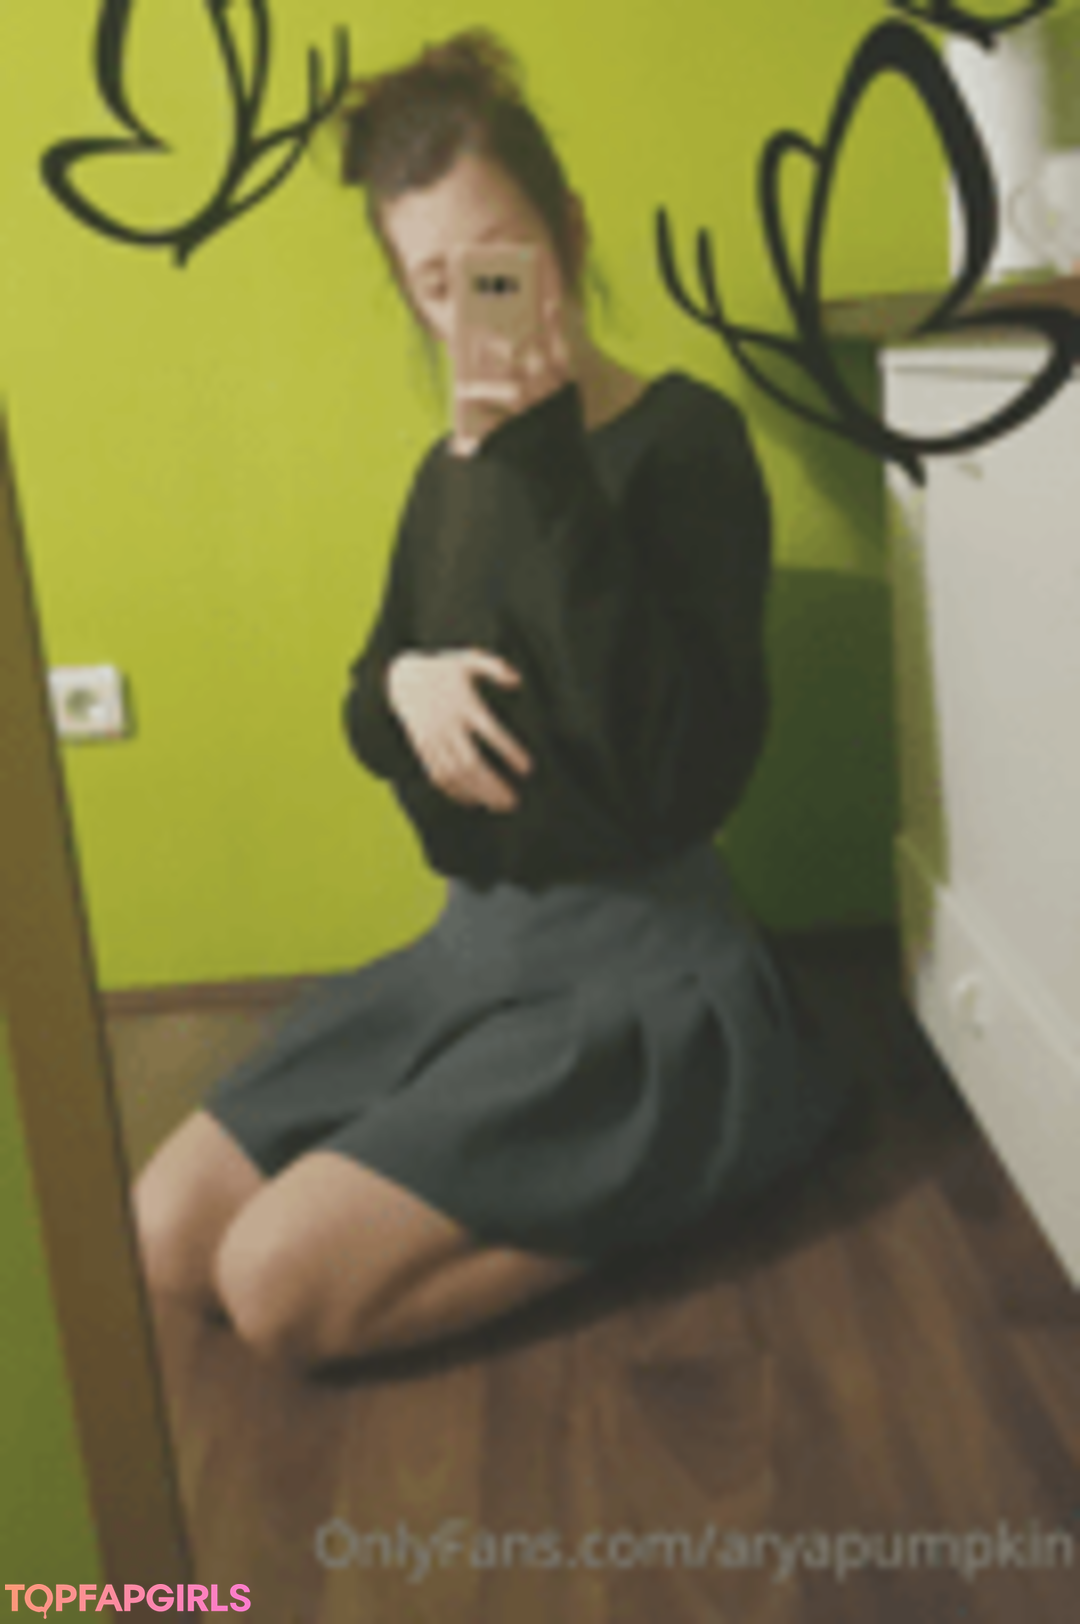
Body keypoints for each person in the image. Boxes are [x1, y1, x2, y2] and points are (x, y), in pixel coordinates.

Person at [131, 29, 854, 1374]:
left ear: (568, 234)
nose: (473, 305)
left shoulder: (686, 442)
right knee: (169, 1234)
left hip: (644, 971)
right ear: (408, 297)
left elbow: (676, 776)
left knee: (276, 1288)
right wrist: (404, 683)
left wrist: (542, 468)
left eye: (498, 263)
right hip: (471, 956)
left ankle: (694, 1158)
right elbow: (367, 705)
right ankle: (587, 1167)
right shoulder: (441, 480)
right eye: (435, 282)